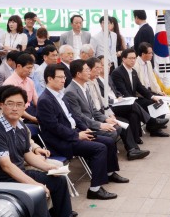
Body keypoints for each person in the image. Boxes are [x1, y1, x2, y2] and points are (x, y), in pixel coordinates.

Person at [0, 86, 87, 217]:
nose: (15, 108)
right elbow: (6, 166)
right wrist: (36, 184)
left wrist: (49, 168)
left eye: (19, 104)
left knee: (58, 179)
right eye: (10, 103)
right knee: (39, 190)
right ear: (1, 105)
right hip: (6, 179)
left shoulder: (20, 125)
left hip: (20, 172)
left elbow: (27, 153)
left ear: (25, 106)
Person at [37, 64, 126, 200]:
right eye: (60, 77)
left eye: (64, 77)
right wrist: (77, 135)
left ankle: (109, 173)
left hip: (74, 133)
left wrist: (84, 129)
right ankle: (94, 189)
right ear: (49, 79)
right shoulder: (45, 100)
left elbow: (74, 117)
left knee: (108, 141)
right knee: (99, 148)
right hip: (62, 141)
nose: (63, 80)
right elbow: (54, 127)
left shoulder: (60, 95)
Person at [63, 59, 149, 160]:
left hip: (97, 116)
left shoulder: (84, 86)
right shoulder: (71, 91)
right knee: (114, 130)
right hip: (85, 126)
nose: (89, 72)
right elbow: (79, 116)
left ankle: (132, 150)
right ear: (78, 74)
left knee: (123, 121)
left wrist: (106, 118)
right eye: (87, 70)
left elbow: (94, 109)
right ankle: (107, 160)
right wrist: (100, 124)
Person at [112, 48, 168, 136]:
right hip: (125, 101)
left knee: (157, 101)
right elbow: (123, 91)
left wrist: (152, 96)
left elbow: (140, 87)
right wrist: (133, 100)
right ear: (123, 59)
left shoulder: (133, 71)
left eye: (134, 58)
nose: (133, 60)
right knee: (143, 104)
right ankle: (153, 122)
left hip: (134, 99)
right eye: (130, 58)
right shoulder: (117, 72)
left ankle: (155, 129)